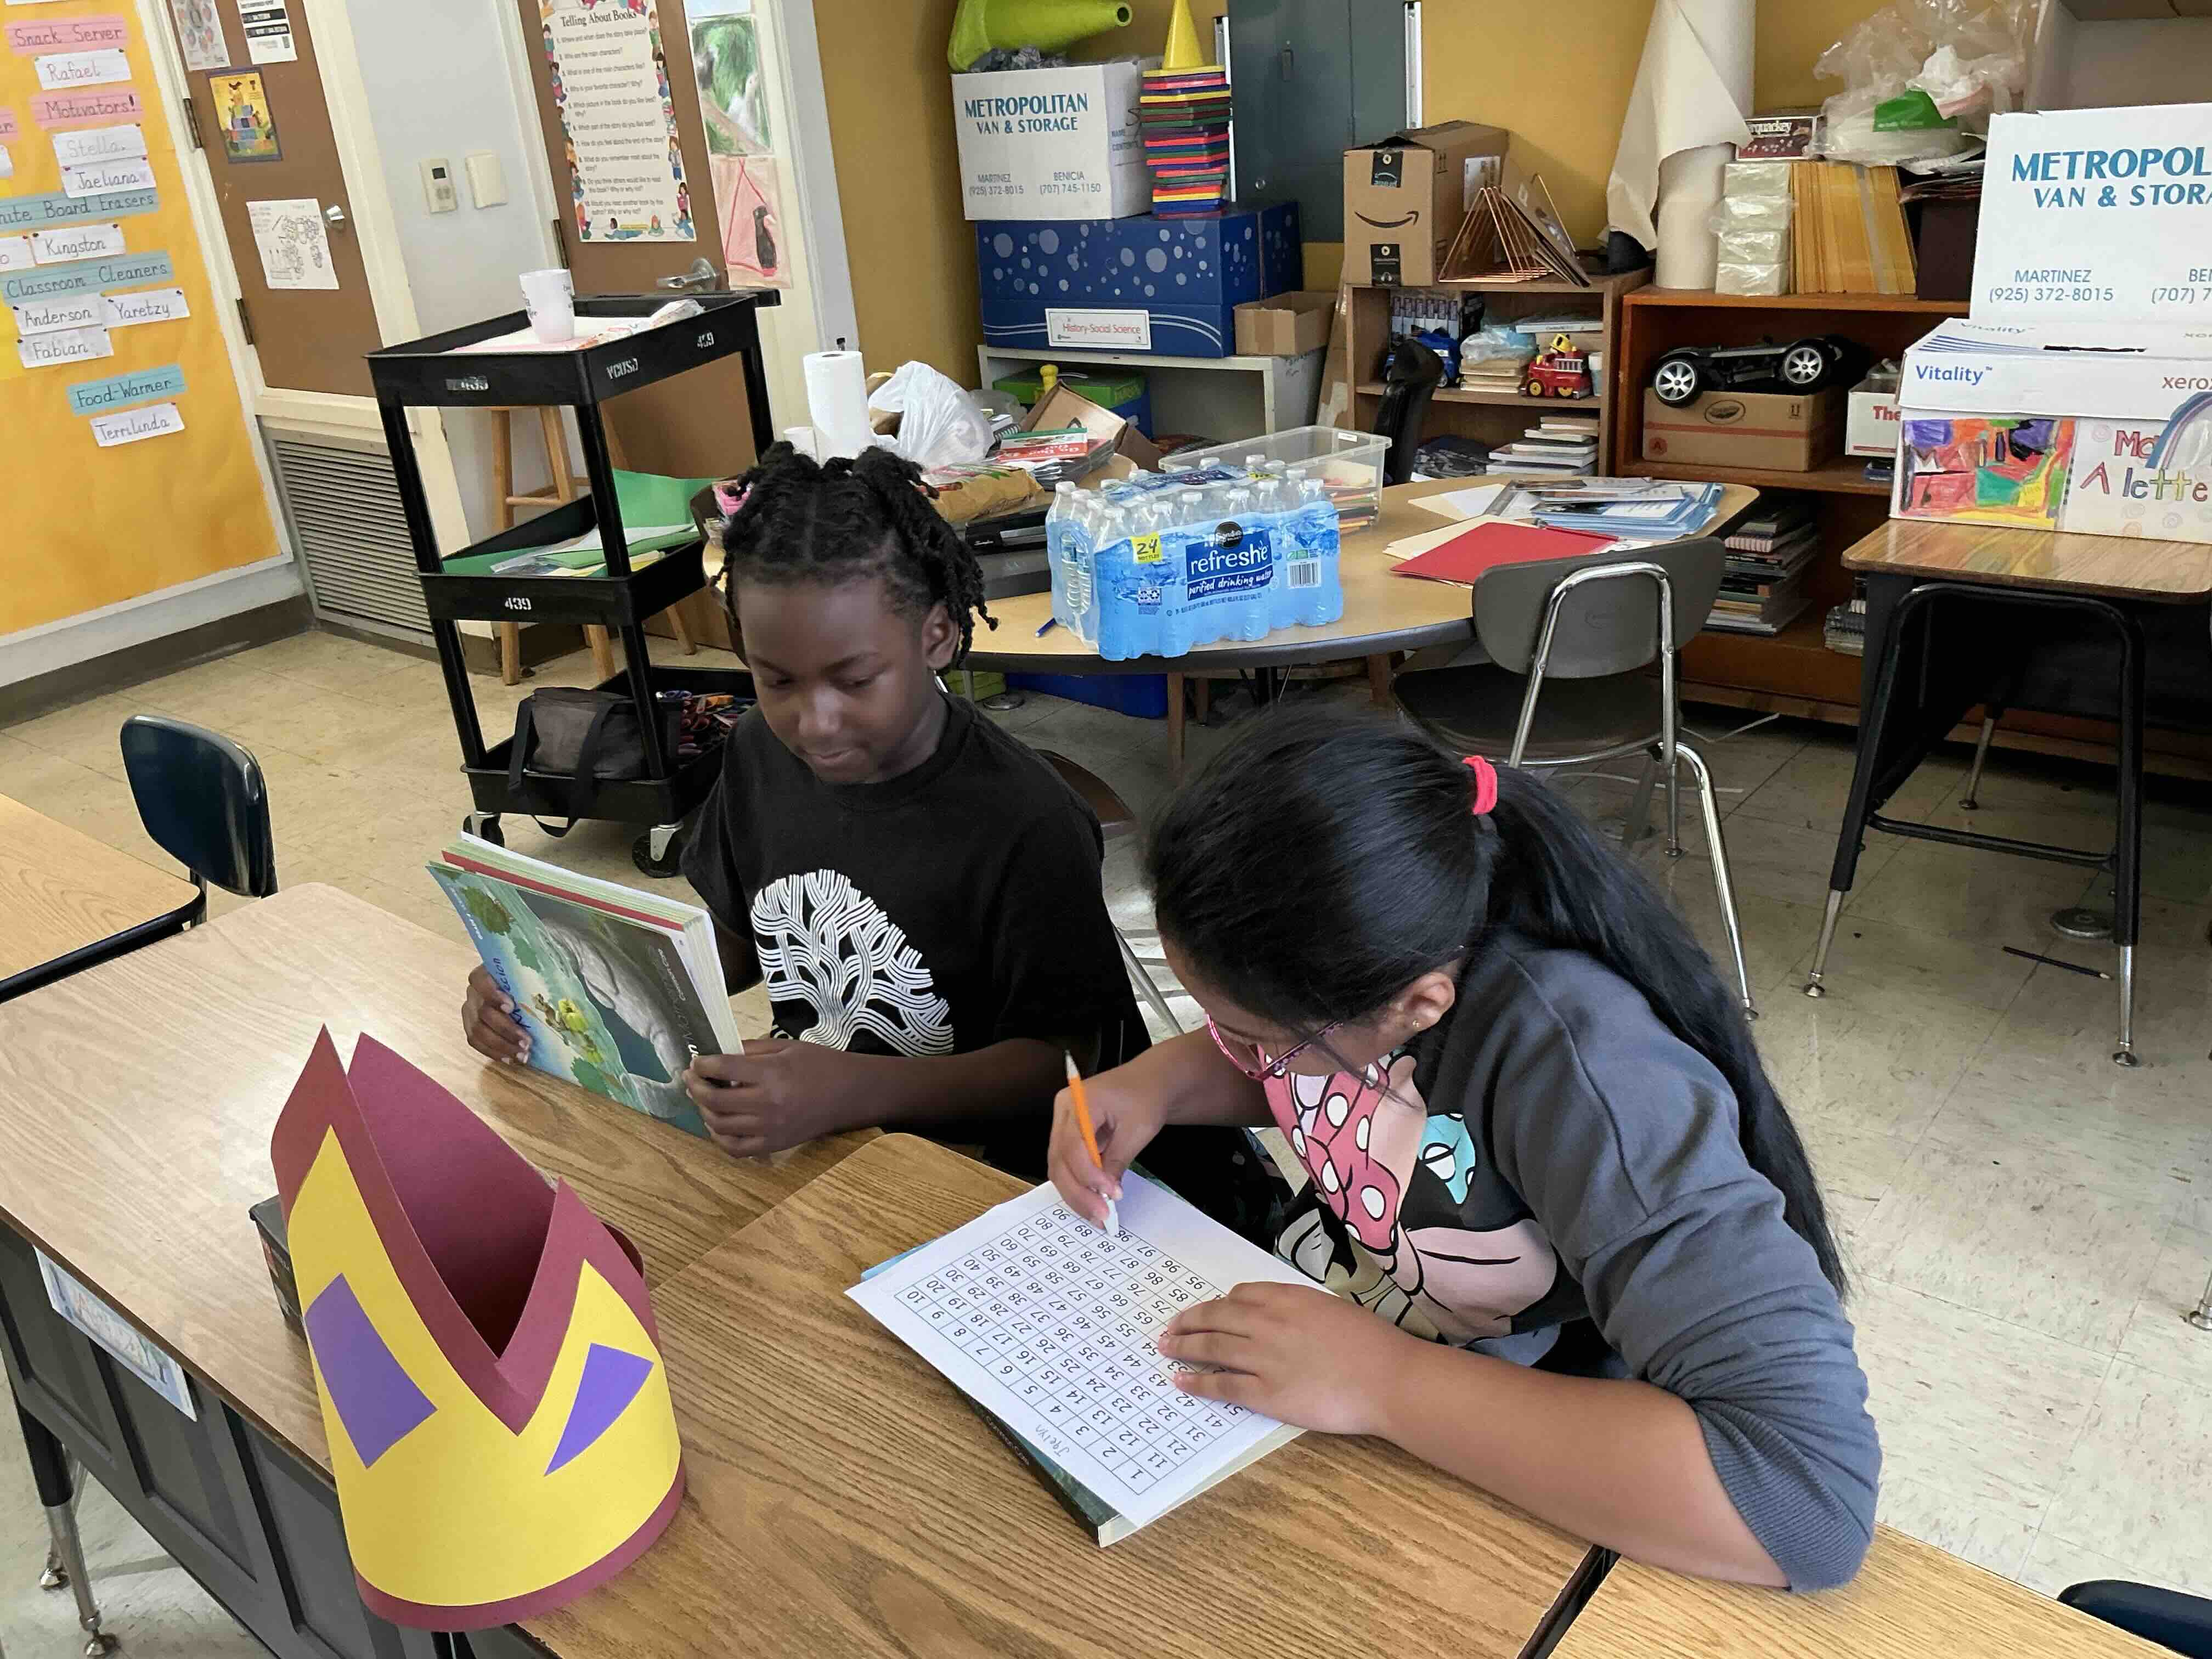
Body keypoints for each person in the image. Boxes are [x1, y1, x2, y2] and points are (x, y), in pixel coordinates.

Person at [1048, 704, 1877, 1591]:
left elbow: (1810, 1501)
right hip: (1343, 1374)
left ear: (1418, 1006)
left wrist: (1382, 1381)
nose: (1241, 1057)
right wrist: (1157, 1085)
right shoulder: (1374, 962)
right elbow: (1315, 1068)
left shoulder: (1594, 1081)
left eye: (1253, 1038)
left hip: (1525, 1469)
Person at [461, 444, 1258, 1212]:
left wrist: (853, 1091)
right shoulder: (756, 753)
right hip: (821, 1147)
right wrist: (547, 977)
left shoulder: (1027, 821)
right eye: (777, 681)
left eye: (854, 680)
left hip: (985, 1182)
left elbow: (1063, 1063)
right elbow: (735, 941)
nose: (814, 722)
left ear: (937, 636)